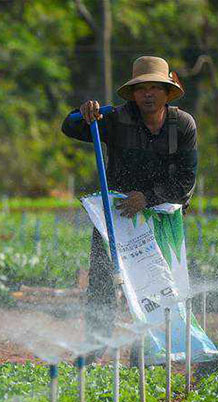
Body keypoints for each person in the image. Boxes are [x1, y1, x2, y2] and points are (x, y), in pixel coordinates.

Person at [61, 56, 198, 350]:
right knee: (102, 281)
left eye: (154, 88)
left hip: (161, 216)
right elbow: (69, 127)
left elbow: (186, 181)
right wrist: (84, 113)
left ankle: (155, 346)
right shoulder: (115, 119)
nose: (148, 94)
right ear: (133, 94)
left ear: (167, 92)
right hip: (117, 216)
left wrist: (148, 198)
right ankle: (96, 345)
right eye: (141, 88)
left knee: (158, 283)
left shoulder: (183, 125)